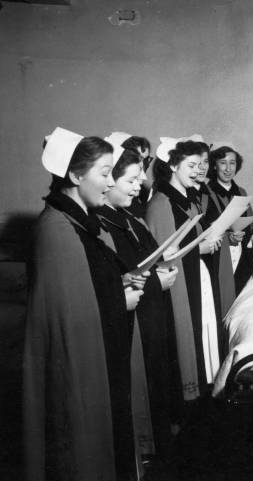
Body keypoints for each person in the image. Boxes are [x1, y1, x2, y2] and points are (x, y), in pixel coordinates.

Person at [23, 127, 139, 481]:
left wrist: (118, 284)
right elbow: (71, 320)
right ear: (75, 176)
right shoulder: (57, 229)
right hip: (80, 369)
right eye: (105, 173)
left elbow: (88, 288)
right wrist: (119, 302)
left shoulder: (79, 221)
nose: (109, 183)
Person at [95, 140, 181, 459]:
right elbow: (118, 278)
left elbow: (144, 259)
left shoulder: (129, 218)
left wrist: (162, 261)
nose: (138, 186)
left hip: (151, 316)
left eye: (139, 179)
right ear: (107, 181)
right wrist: (154, 279)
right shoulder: (101, 225)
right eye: (131, 180)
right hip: (134, 322)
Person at [146, 139, 222, 400]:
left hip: (195, 276)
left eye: (200, 165)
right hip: (178, 284)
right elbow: (165, 257)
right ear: (173, 165)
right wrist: (199, 249)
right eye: (190, 165)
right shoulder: (162, 203)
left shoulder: (186, 199)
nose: (197, 171)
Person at [204, 145, 253, 304]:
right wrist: (228, 237)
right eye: (223, 163)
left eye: (232, 163)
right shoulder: (205, 192)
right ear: (214, 165)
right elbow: (204, 229)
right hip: (217, 255)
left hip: (241, 253)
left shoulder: (242, 192)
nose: (228, 168)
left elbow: (249, 224)